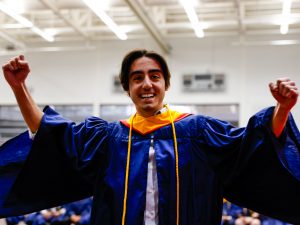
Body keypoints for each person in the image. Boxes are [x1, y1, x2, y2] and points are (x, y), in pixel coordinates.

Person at [0, 49, 299, 225]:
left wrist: (281, 109)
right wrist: (19, 88)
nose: (147, 84)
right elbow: (50, 137)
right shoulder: (107, 139)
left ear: (166, 84)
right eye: (137, 77)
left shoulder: (198, 133)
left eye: (155, 76)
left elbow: (252, 145)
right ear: (127, 88)